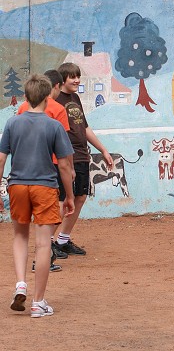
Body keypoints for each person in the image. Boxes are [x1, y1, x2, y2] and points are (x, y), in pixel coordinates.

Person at [0, 74, 75, 317]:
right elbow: (64, 166)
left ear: (25, 97)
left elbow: (1, 159)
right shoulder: (54, 126)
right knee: (43, 245)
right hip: (44, 188)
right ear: (47, 97)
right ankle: (38, 302)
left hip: (18, 186)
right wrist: (70, 196)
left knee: (20, 237)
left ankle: (20, 283)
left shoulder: (12, 123)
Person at [53, 62, 113, 256]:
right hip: (64, 158)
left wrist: (103, 149)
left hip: (81, 156)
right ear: (62, 80)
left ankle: (62, 240)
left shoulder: (75, 98)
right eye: (73, 77)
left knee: (80, 197)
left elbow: (85, 127)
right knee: (62, 200)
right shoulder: (55, 100)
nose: (77, 80)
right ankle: (48, 242)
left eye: (78, 76)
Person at [17, 70, 74, 272]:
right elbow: (64, 150)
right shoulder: (58, 109)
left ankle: (21, 282)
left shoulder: (20, 110)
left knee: (21, 233)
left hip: (22, 172)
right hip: (52, 167)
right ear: (53, 88)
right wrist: (71, 172)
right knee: (55, 208)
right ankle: (46, 251)